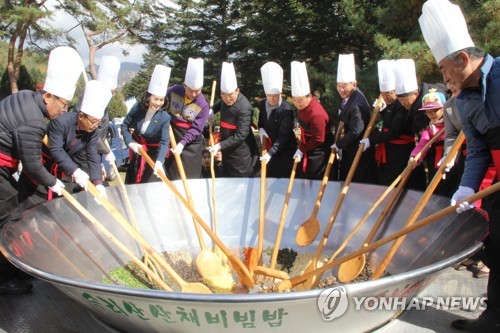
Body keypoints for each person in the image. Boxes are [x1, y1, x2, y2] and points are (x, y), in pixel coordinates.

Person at [420, 0, 500, 331]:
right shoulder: (462, 100)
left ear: (463, 59)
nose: (443, 78)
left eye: (443, 70)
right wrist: (467, 186)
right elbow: (479, 148)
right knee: (496, 248)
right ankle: (493, 317)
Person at [0, 46, 83, 294]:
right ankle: (5, 279)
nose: (63, 111)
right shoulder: (34, 121)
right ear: (48, 96)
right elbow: (33, 164)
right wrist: (54, 183)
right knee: (7, 219)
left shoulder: (24, 96)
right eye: (63, 104)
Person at [18, 80, 111, 207]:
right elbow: (56, 149)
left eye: (98, 122)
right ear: (81, 116)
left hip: (59, 170)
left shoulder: (93, 132)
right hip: (41, 167)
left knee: (51, 210)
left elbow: (93, 156)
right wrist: (75, 171)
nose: (96, 126)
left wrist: (98, 183)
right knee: (31, 205)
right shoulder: (60, 123)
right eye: (93, 121)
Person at [360, 60, 416, 186]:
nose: (385, 97)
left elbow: (394, 131)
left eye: (389, 93)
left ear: (396, 92)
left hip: (401, 151)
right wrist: (384, 111)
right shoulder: (390, 104)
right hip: (389, 149)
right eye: (383, 94)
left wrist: (372, 140)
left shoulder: (402, 105)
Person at [392, 58, 442, 191]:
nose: (403, 104)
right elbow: (425, 137)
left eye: (405, 99)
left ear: (415, 93)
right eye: (400, 100)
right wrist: (415, 156)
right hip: (428, 150)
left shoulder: (429, 99)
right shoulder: (414, 106)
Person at [121, 65, 172, 184]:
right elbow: (124, 126)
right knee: (132, 182)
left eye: (161, 100)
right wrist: (130, 143)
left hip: (153, 155)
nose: (158, 103)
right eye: (155, 99)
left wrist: (159, 162)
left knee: (148, 184)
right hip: (136, 152)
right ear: (148, 97)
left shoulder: (165, 117)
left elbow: (165, 142)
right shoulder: (138, 107)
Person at [332, 53, 376, 183]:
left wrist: (339, 144)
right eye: (339, 85)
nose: (341, 89)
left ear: (354, 84)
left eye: (345, 85)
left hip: (358, 149)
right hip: (350, 146)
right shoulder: (349, 97)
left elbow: (357, 130)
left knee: (357, 180)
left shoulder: (357, 103)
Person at [210, 62, 260, 177]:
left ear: (237, 91)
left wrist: (220, 145)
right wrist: (212, 110)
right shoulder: (224, 98)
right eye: (223, 95)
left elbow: (241, 135)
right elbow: (220, 104)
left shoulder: (244, 108)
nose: (227, 99)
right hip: (227, 149)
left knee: (240, 178)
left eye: (230, 95)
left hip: (241, 153)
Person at [164, 58, 210, 180]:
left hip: (191, 143)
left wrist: (182, 143)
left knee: (191, 177)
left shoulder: (203, 104)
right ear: (185, 86)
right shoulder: (174, 90)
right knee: (173, 174)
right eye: (191, 90)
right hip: (173, 134)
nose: (194, 94)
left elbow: (196, 129)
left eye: (197, 91)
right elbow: (161, 101)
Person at [409, 89, 459, 197]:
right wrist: (414, 157)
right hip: (435, 165)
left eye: (435, 111)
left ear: (443, 108)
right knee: (436, 189)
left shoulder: (451, 123)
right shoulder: (429, 128)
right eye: (428, 112)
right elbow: (423, 143)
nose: (431, 115)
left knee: (451, 188)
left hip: (452, 160)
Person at [290, 61, 334, 180]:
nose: (297, 103)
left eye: (300, 99)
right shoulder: (302, 107)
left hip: (320, 148)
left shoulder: (316, 114)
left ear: (309, 96)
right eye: (295, 100)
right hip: (308, 142)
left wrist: (302, 149)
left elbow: (319, 139)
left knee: (315, 176)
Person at [257, 61, 297, 178]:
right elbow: (261, 121)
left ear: (281, 94)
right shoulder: (263, 104)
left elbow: (283, 136)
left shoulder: (286, 110)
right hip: (270, 146)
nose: (272, 99)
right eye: (269, 96)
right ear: (265, 94)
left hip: (285, 150)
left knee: (282, 178)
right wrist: (260, 129)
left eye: (276, 96)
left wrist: (270, 154)